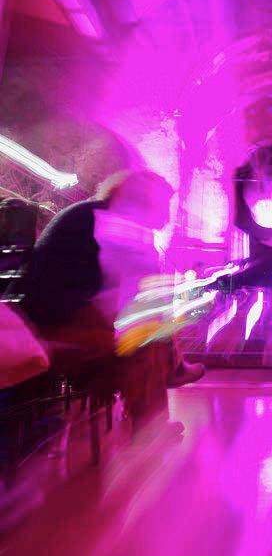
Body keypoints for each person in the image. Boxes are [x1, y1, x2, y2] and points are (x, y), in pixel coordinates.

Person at [15, 170, 204, 432]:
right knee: (144, 342)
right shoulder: (112, 223)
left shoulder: (93, 214)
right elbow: (124, 295)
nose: (167, 216)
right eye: (164, 205)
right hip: (56, 329)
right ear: (145, 200)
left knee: (147, 329)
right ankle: (151, 427)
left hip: (46, 319)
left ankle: (168, 379)